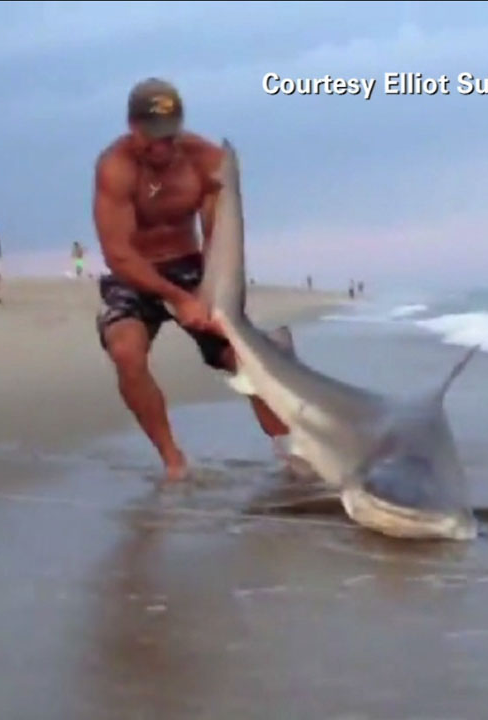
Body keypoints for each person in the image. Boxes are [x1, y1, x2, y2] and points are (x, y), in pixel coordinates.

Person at [92, 77, 289, 480]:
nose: (163, 147)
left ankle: (292, 453)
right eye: (153, 137)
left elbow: (222, 237)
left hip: (193, 266)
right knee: (126, 353)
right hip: (135, 271)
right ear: (133, 127)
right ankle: (173, 461)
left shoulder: (206, 159)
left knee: (244, 356)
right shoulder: (116, 168)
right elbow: (119, 253)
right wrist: (176, 299)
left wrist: (206, 293)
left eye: (170, 135)